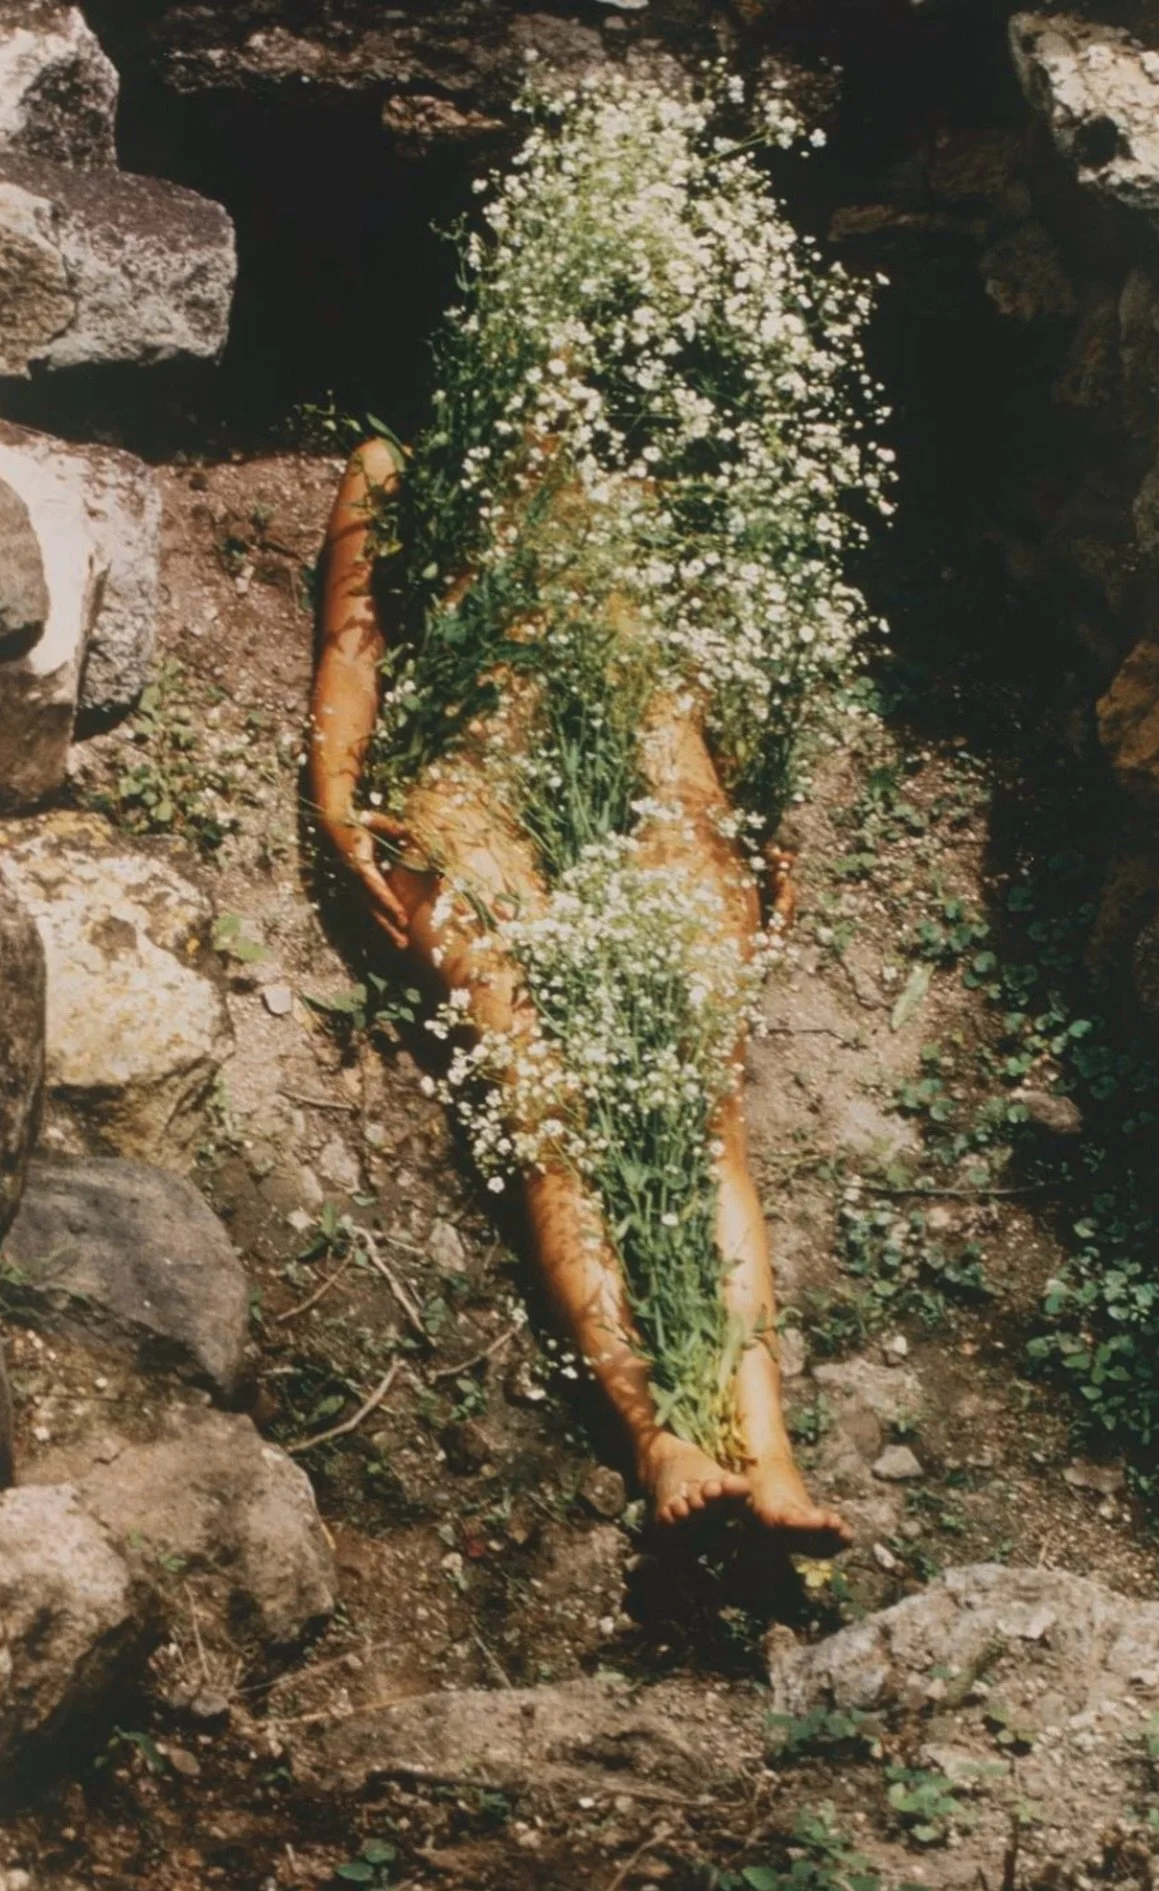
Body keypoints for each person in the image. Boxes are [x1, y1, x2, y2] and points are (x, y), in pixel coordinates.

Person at [309, 435, 853, 1556]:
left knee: (704, 1116)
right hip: (476, 796)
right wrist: (334, 790)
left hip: (666, 791)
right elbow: (354, 641)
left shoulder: (672, 455)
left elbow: (725, 655)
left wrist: (756, 820)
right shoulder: (400, 465)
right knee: (549, 1106)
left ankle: (770, 1444)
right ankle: (663, 1439)